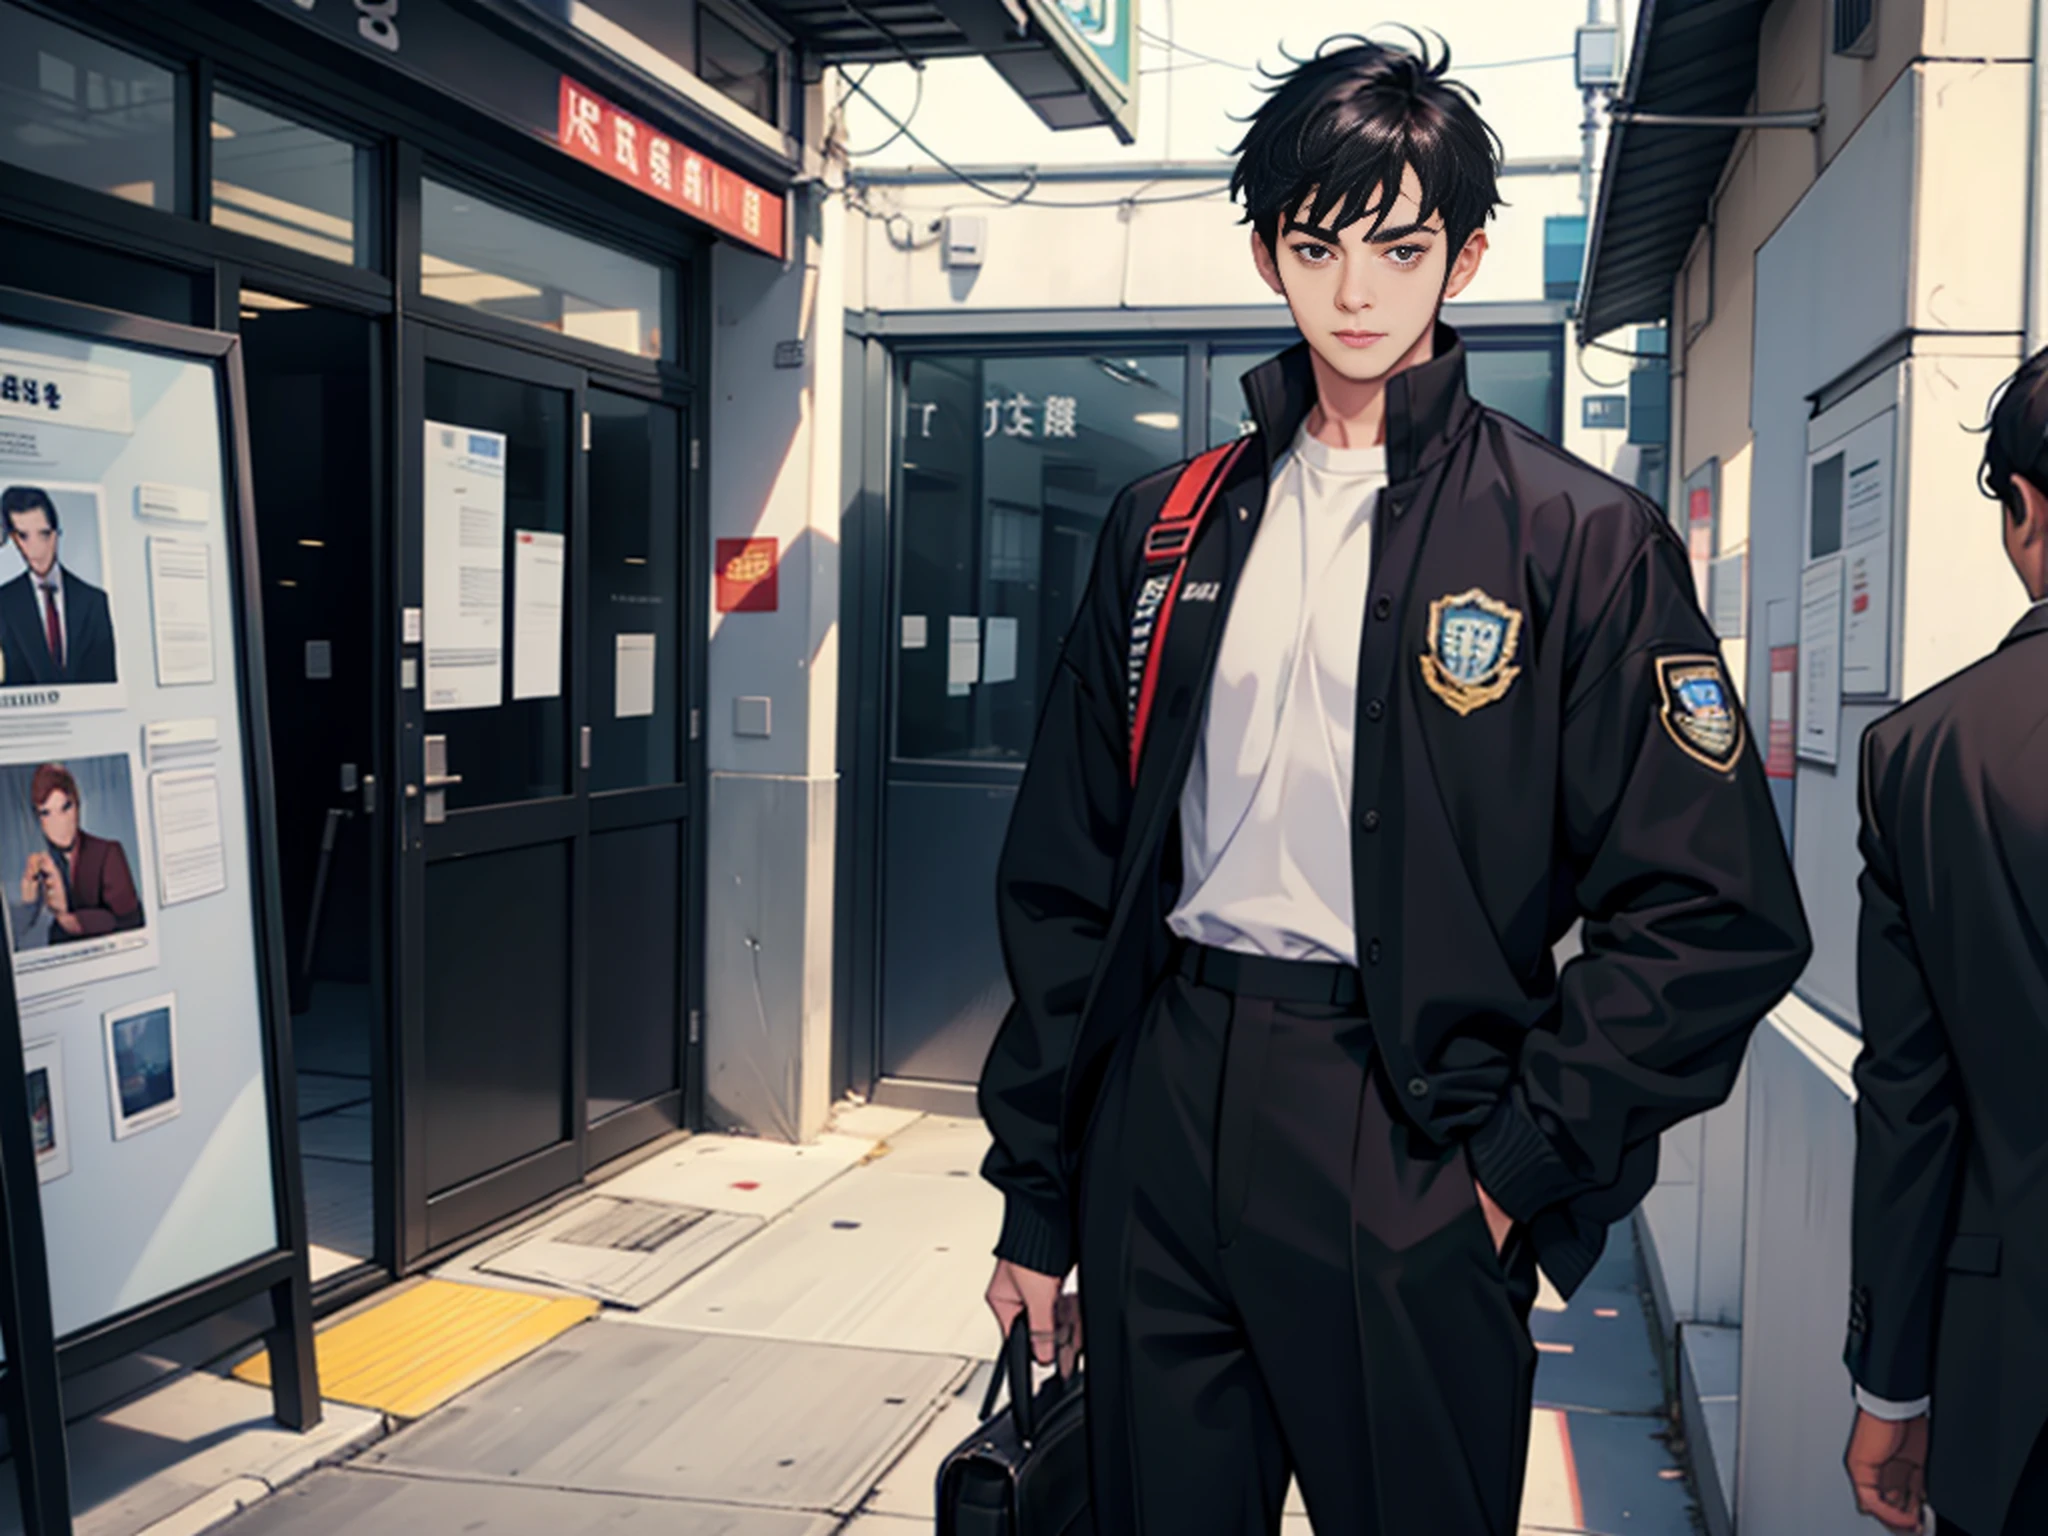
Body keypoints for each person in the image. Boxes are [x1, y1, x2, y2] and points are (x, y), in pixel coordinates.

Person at [977, 33, 1813, 1535]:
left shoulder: (1578, 539)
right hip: (1164, 1118)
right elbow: (1067, 876)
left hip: (1406, 1133)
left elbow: (1716, 912)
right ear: (1268, 253)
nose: (1355, 290)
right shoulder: (1166, 531)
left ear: (1465, 256)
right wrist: (1042, 1194)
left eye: (1399, 246)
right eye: (1316, 246)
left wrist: (1515, 1169)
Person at [1841, 347, 2048, 1536]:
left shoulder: (1923, 757)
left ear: (2019, 510)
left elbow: (1907, 1103)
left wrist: (1887, 1383)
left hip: (2011, 1382)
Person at [0, 485, 118, 687]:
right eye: (24, 536)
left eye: (44, 534)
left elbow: (106, 684)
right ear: (13, 539)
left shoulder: (94, 602)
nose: (36, 551)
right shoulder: (4, 602)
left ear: (56, 534)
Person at [17, 763, 144, 947]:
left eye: (65, 808)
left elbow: (132, 922)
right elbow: (23, 933)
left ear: (77, 805)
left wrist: (67, 918)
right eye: (46, 813)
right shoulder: (43, 864)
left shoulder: (108, 853)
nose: (58, 825)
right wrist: (28, 902)